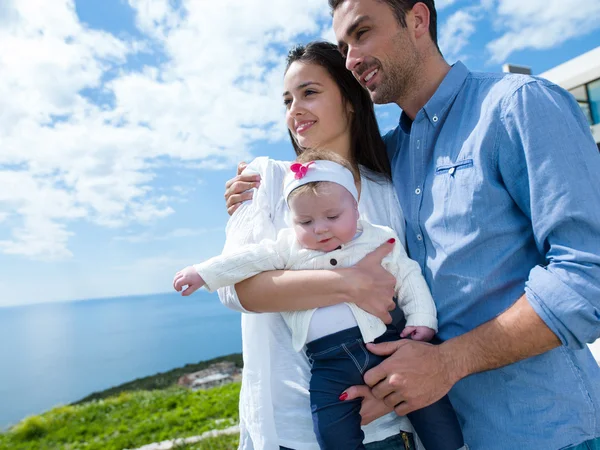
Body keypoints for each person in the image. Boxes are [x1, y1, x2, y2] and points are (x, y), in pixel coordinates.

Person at [227, 1, 600, 449]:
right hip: (446, 429)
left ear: (418, 20)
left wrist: (447, 364)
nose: (351, 59)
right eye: (343, 45)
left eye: (361, 33)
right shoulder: (387, 161)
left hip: (547, 429)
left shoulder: (516, 105)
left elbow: (587, 276)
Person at [216, 41, 434, 450]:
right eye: (287, 100)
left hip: (387, 426)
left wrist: (387, 389)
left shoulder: (388, 187)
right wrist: (349, 282)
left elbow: (410, 297)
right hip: (292, 432)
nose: (294, 110)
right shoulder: (269, 179)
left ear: (351, 100)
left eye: (309, 93)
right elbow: (235, 288)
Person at [174, 150, 465, 450]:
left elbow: (408, 277)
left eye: (332, 216)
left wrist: (422, 320)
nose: (320, 228)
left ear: (355, 207)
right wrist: (203, 273)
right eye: (305, 221)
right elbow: (247, 259)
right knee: (329, 426)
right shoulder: (288, 247)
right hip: (328, 362)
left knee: (430, 406)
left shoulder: (378, 237)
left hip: (385, 344)